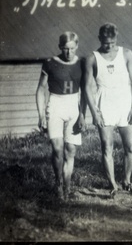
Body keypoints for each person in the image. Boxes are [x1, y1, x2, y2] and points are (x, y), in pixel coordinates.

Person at [84, 23, 132, 198]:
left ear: (117, 38)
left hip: (124, 101)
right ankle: (113, 184)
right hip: (104, 102)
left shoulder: (126, 54)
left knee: (130, 147)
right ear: (100, 39)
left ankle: (127, 180)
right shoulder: (92, 58)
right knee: (107, 147)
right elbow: (86, 87)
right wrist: (94, 112)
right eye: (106, 42)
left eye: (113, 42)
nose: (110, 46)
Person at [36, 31, 86, 200]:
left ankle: (67, 185)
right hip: (56, 104)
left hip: (74, 105)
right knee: (58, 149)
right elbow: (40, 90)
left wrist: (83, 115)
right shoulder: (50, 63)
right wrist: (41, 114)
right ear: (59, 47)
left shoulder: (82, 63)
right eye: (65, 49)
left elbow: (86, 91)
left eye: (72, 49)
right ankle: (58, 184)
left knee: (70, 150)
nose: (68, 52)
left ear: (77, 46)